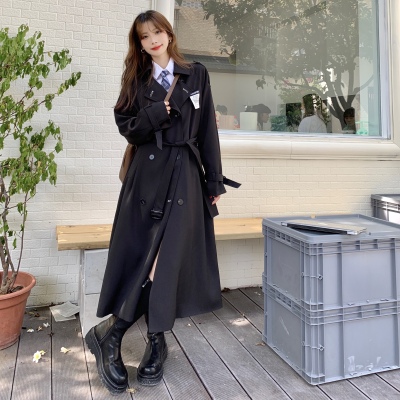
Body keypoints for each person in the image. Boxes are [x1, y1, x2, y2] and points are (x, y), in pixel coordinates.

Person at [84, 10, 239, 394]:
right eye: (144, 36)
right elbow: (127, 128)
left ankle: (116, 333)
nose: (152, 40)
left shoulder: (196, 74)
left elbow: (207, 132)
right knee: (145, 257)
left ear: (169, 34)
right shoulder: (136, 79)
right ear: (139, 44)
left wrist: (213, 179)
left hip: (185, 177)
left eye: (157, 32)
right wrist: (154, 113)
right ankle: (152, 338)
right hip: (147, 181)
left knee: (165, 261)